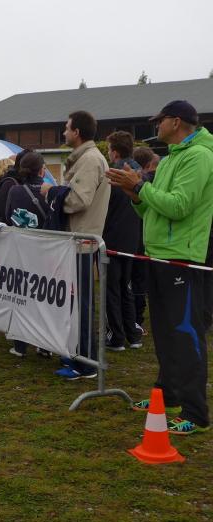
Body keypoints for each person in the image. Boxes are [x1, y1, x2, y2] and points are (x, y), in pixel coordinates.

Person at [108, 100, 213, 435]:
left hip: (182, 256)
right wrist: (135, 195)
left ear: (176, 122)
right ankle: (167, 395)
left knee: (185, 332)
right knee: (166, 333)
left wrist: (140, 186)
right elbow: (152, 209)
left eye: (160, 121)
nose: (156, 126)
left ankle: (196, 412)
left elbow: (179, 207)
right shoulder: (169, 159)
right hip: (159, 254)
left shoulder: (199, 156)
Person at [42, 111, 110, 380]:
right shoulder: (85, 159)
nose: (63, 133)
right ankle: (78, 356)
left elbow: (79, 199)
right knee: (74, 304)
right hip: (76, 240)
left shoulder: (91, 160)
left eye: (66, 128)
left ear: (77, 132)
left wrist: (52, 193)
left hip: (82, 242)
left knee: (81, 304)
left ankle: (86, 363)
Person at [5, 152, 52, 357]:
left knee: (21, 297)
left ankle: (20, 345)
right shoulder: (50, 190)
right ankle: (44, 345)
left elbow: (8, 216)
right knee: (44, 298)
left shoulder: (15, 191)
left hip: (21, 249)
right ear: (41, 170)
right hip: (45, 250)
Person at [102, 131, 143, 352]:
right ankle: (133, 334)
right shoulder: (139, 173)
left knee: (112, 290)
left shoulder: (113, 175)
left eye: (109, 149)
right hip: (132, 239)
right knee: (126, 287)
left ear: (115, 152)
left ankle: (116, 337)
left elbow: (104, 207)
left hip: (112, 239)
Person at [131, 147, 160, 332]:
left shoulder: (144, 181)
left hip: (141, 236)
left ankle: (137, 318)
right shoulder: (150, 180)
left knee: (139, 280)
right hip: (147, 236)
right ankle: (138, 318)